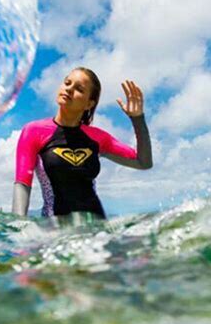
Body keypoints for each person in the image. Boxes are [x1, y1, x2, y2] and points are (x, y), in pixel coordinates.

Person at [12, 67, 152, 219]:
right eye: (67, 83)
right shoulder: (34, 132)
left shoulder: (98, 138)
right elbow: (22, 184)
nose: (69, 89)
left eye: (78, 88)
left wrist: (138, 119)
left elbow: (143, 162)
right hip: (55, 231)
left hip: (97, 229)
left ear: (89, 104)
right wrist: (18, 226)